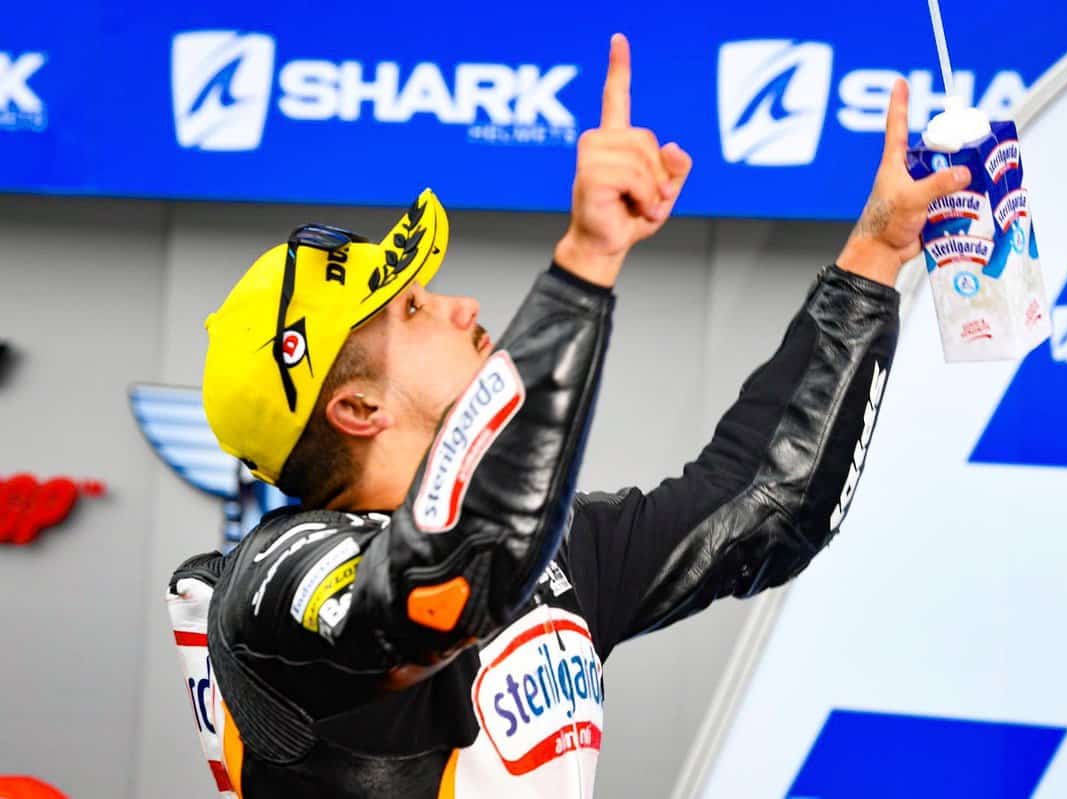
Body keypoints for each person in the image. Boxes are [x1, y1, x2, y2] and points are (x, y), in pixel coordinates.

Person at [168, 33, 970, 799]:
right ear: (357, 406)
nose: (460, 305)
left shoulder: (554, 554)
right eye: (413, 309)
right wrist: (587, 258)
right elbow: (441, 583)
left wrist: (877, 252)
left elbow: (766, 502)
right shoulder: (276, 579)